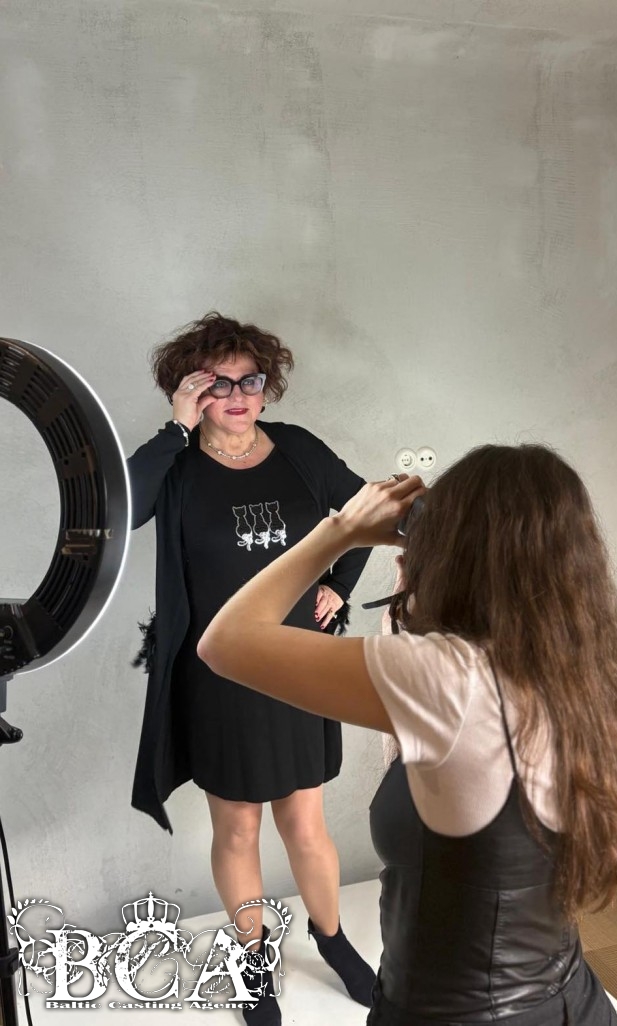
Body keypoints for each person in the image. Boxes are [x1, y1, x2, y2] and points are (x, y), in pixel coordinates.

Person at [197, 444, 617, 1026]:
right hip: (571, 1001)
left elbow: (224, 643)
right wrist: (412, 600)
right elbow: (432, 769)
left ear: (455, 549)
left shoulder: (449, 678)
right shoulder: (583, 671)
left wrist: (342, 532)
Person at [127, 312, 376, 1025]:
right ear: (190, 389)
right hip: (220, 673)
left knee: (305, 822)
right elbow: (123, 509)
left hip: (297, 664)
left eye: (250, 381)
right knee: (237, 828)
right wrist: (175, 428)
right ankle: (252, 959)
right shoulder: (175, 464)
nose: (237, 396)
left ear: (268, 385)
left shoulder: (298, 450)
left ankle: (333, 939)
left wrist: (340, 586)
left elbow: (366, 511)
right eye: (217, 383)